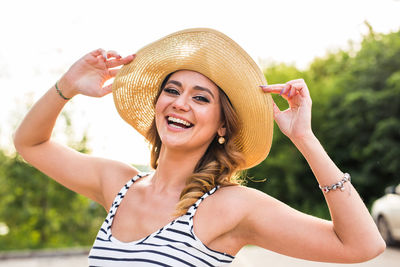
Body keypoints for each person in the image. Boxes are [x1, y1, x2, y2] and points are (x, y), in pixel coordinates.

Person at [13, 28, 385, 266]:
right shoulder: (118, 183)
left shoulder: (231, 205)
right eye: (172, 91)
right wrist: (68, 85)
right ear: (158, 106)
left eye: (201, 98)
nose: (180, 103)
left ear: (222, 125)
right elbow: (29, 143)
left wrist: (305, 138)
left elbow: (362, 246)